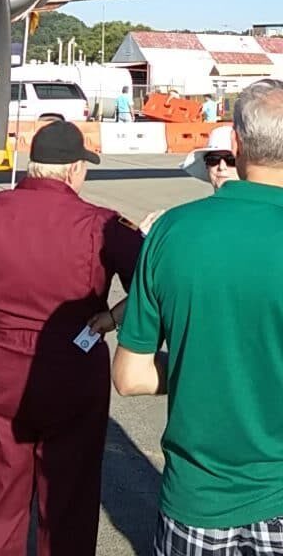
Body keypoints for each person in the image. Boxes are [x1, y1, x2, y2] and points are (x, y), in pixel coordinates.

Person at [0, 120, 143, 556]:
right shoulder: (103, 223)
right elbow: (151, 287)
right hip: (74, 359)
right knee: (70, 492)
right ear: (75, 169)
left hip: (3, 358)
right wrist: (111, 319)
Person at [113, 77, 283, 550]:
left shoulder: (170, 232)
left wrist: (199, 364)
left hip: (198, 497)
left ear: (235, 142)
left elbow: (131, 377)